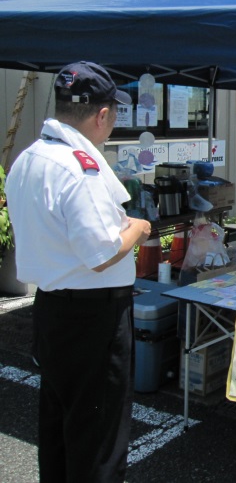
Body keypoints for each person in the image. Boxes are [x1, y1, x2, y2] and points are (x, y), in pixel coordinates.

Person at [5, 61, 153, 482]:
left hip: (52, 309)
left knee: (58, 426)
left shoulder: (28, 159)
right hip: (94, 318)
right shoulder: (79, 167)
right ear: (102, 114)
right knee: (99, 438)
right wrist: (139, 229)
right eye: (113, 115)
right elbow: (102, 251)